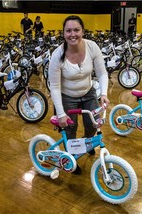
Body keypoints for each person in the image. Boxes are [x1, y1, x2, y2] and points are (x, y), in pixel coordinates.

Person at [48, 15, 110, 174]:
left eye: (76, 30)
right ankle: (71, 158)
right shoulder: (57, 55)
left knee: (93, 124)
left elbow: (102, 73)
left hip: (88, 92)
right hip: (67, 96)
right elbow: (54, 86)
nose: (72, 34)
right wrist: (60, 113)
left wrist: (103, 93)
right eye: (68, 30)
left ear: (83, 31)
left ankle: (88, 143)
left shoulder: (92, 46)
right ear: (63, 33)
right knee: (70, 128)